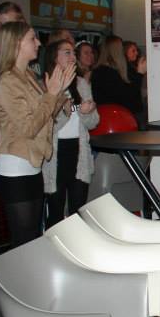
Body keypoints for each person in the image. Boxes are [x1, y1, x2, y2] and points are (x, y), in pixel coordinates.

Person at [0, 21, 75, 247]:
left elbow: (45, 117)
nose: (38, 43)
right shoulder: (8, 81)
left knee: (31, 240)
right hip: (14, 168)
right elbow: (29, 128)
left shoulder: (27, 75)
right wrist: (52, 94)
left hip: (32, 165)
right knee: (23, 242)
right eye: (32, 38)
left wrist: (59, 94)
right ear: (17, 44)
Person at [42, 40, 99, 228]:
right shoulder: (46, 85)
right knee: (55, 211)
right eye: (67, 52)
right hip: (54, 154)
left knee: (79, 211)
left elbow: (93, 122)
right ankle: (53, 245)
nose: (73, 57)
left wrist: (86, 112)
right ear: (54, 57)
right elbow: (44, 124)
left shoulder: (81, 83)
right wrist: (67, 111)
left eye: (73, 53)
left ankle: (77, 246)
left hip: (79, 151)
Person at [91, 35, 145, 123]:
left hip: (113, 116)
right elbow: (126, 96)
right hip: (117, 118)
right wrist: (140, 73)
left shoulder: (102, 70)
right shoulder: (108, 72)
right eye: (121, 47)